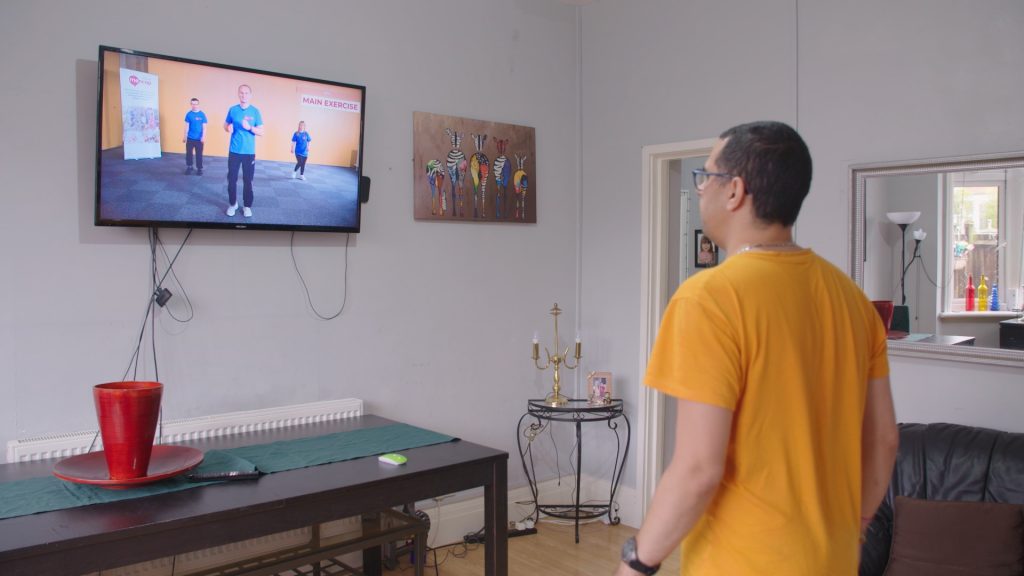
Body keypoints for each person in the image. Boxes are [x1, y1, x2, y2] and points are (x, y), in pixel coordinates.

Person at [615, 121, 898, 576]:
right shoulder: (851, 299)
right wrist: (858, 523)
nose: (702, 187)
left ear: (735, 191)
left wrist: (639, 562)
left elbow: (697, 469)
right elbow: (883, 439)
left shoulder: (708, 297)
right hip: (835, 559)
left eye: (706, 175)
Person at [223, 84, 264, 217]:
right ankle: (233, 204)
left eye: (246, 93)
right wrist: (228, 127)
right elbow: (225, 125)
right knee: (232, 179)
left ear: (250, 95)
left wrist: (250, 128)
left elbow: (261, 132)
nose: (243, 95)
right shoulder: (232, 110)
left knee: (248, 180)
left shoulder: (255, 111)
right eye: (241, 93)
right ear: (238, 94)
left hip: (249, 153)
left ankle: (247, 206)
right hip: (234, 151)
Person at [182, 98, 207, 175]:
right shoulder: (188, 114)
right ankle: (189, 166)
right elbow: (186, 127)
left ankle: (199, 168)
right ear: (191, 104)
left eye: (196, 104)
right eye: (193, 104)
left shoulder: (202, 115)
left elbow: (204, 127)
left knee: (199, 154)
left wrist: (203, 137)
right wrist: (184, 136)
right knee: (189, 153)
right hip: (190, 138)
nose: (194, 106)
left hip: (199, 139)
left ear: (198, 104)